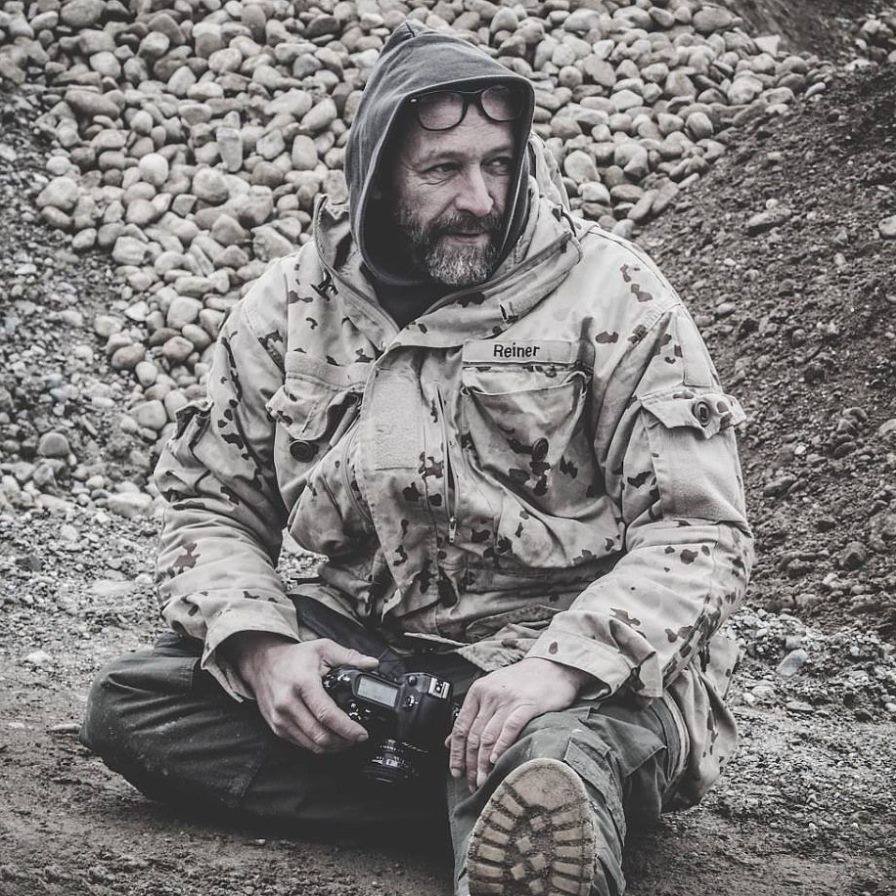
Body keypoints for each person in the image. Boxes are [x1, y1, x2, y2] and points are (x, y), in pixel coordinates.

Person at [81, 20, 753, 896]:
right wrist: (264, 650)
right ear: (378, 174)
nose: (480, 197)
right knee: (134, 705)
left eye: (500, 164)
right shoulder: (291, 305)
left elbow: (700, 535)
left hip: (558, 659)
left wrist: (557, 670)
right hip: (372, 655)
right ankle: (497, 801)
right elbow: (209, 504)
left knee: (560, 743)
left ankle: (542, 789)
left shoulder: (614, 297)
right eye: (443, 170)